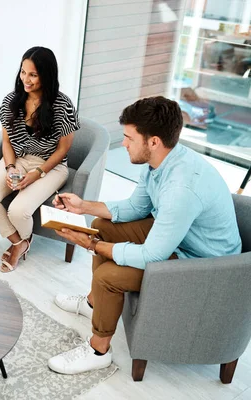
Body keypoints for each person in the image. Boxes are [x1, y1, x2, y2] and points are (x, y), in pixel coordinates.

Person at [47, 96, 242, 375]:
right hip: (180, 236)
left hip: (203, 265)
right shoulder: (160, 163)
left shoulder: (181, 188)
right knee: (102, 225)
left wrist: (91, 245)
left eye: (128, 138)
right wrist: (83, 206)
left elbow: (153, 255)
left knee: (108, 277)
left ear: (153, 142)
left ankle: (98, 350)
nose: (123, 144)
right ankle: (94, 303)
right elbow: (135, 207)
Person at [0, 46, 80, 273]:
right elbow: (6, 142)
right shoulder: (11, 101)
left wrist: (38, 173)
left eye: (33, 74)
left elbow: (63, 149)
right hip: (18, 159)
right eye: (23, 72)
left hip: (51, 167)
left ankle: (20, 242)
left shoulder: (62, 106)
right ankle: (19, 241)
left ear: (47, 75)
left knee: (18, 211)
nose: (26, 79)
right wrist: (11, 167)